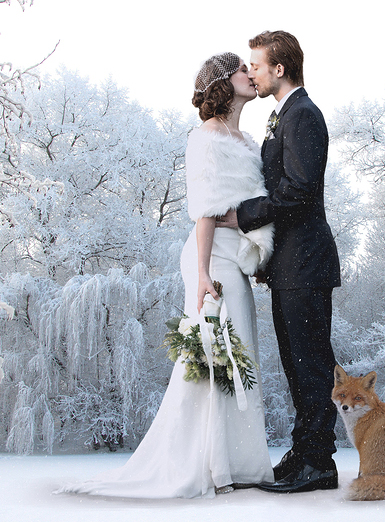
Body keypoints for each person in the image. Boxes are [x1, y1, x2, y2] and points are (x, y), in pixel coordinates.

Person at [57, 52, 275, 499]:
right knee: (216, 357)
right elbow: (205, 210)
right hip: (210, 257)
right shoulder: (206, 136)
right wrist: (200, 275)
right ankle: (211, 463)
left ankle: (238, 460)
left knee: (242, 355)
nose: (250, 75)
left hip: (237, 257)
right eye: (240, 70)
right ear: (221, 82)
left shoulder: (248, 141)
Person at [218, 30, 341, 494]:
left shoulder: (303, 115)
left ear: (279, 68)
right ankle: (304, 453)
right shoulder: (284, 116)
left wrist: (241, 215)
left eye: (256, 63)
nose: (250, 71)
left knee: (310, 364)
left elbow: (299, 190)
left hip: (306, 263)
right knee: (296, 363)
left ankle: (319, 463)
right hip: (290, 266)